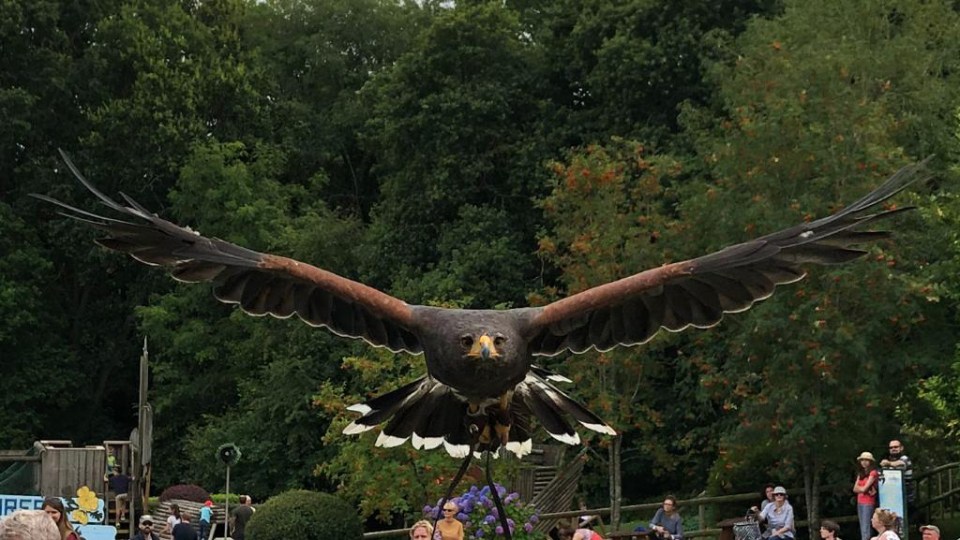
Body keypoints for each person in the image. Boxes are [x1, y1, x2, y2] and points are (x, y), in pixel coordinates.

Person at [880, 440, 915, 512]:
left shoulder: (905, 458)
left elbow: (901, 463)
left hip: (906, 496)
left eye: (896, 447)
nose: (893, 449)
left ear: (901, 448)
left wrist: (888, 463)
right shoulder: (890, 460)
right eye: (891, 447)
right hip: (892, 496)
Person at [854, 452, 880, 540]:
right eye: (862, 460)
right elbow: (855, 489)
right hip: (860, 501)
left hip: (868, 502)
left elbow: (864, 488)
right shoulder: (861, 473)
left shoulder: (873, 473)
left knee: (866, 527)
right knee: (862, 526)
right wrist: (862, 489)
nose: (864, 462)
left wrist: (861, 489)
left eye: (866, 460)